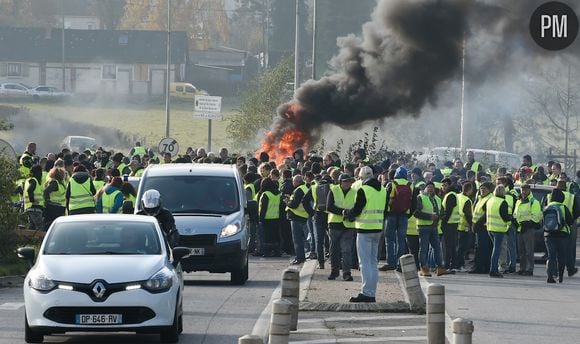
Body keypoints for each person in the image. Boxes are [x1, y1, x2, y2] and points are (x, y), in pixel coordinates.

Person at [344, 166, 386, 303]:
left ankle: (367, 293)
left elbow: (357, 209)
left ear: (361, 178)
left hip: (364, 229)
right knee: (373, 262)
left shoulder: (363, 189)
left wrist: (347, 214)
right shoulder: (383, 190)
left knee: (365, 263)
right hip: (378, 229)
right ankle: (371, 291)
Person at [381, 166, 415, 272]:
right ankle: (400, 264)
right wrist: (408, 214)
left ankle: (390, 263)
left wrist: (385, 213)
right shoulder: (411, 185)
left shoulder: (391, 184)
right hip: (404, 215)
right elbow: (414, 203)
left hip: (391, 214)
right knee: (401, 240)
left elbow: (385, 200)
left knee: (390, 240)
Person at [326, 173, 357, 281]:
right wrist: (342, 212)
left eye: (349, 181)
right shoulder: (333, 190)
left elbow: (357, 207)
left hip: (348, 225)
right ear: (340, 182)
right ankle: (334, 272)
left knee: (346, 250)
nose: (348, 183)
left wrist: (352, 215)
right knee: (334, 250)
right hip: (335, 223)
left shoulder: (355, 192)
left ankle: (346, 273)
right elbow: (329, 206)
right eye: (345, 181)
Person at [414, 182, 449, 277]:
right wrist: (430, 217)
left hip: (434, 227)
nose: (430, 189)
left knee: (437, 248)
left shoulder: (437, 199)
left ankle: (440, 268)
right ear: (424, 188)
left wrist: (440, 216)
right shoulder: (420, 197)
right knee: (424, 249)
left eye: (432, 187)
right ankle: (424, 268)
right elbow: (416, 212)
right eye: (428, 187)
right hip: (423, 227)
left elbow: (442, 212)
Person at [543, 189, 574, 283]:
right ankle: (560, 276)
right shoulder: (563, 207)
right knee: (561, 256)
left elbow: (542, 221)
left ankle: (549, 275)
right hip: (562, 235)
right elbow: (571, 221)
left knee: (551, 256)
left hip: (548, 234)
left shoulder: (547, 207)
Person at [513, 183, 542, 276]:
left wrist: (528, 223)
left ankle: (529, 269)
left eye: (525, 190)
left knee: (529, 250)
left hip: (528, 228)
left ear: (529, 190)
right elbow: (515, 213)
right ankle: (522, 268)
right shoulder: (518, 201)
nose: (523, 192)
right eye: (522, 190)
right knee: (521, 251)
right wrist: (515, 221)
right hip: (519, 228)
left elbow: (536, 216)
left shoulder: (534, 202)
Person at [286, 175, 314, 265]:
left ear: (297, 182)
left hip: (296, 216)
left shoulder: (298, 190)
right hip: (304, 216)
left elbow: (294, 204)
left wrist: (287, 202)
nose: (293, 183)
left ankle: (299, 257)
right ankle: (307, 254)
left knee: (297, 239)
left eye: (294, 182)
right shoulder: (305, 188)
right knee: (306, 238)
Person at [486, 185, 510, 278]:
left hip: (490, 227)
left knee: (495, 250)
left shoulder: (490, 200)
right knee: (496, 250)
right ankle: (493, 270)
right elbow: (504, 216)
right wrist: (510, 220)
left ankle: (493, 269)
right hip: (499, 229)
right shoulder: (503, 202)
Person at [258, 177, 281, 257]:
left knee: (267, 237)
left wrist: (260, 219)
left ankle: (267, 252)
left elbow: (263, 208)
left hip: (266, 219)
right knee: (275, 236)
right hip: (276, 217)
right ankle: (277, 251)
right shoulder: (278, 193)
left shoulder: (266, 194)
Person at [23, 165, 45, 230]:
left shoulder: (28, 180)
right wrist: (32, 200)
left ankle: (31, 240)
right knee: (39, 229)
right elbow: (29, 190)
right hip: (35, 208)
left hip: (29, 207)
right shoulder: (34, 180)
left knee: (32, 228)